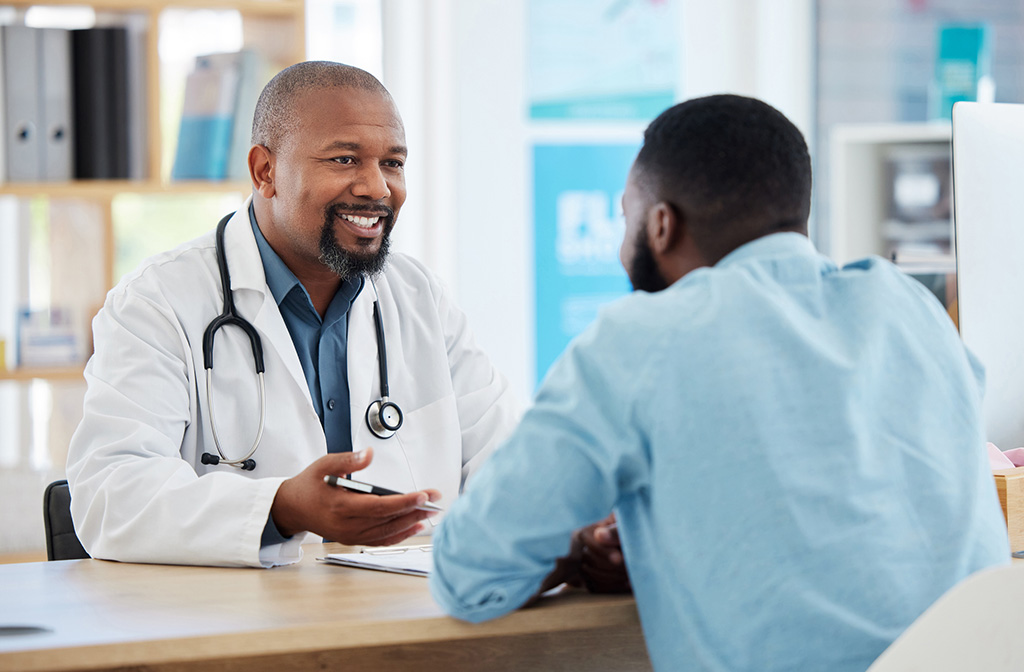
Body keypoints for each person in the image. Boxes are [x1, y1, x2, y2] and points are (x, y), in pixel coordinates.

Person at [430, 94, 1010, 671]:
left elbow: (470, 574)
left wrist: (576, 550)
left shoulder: (643, 339)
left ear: (661, 224)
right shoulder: (911, 307)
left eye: (625, 218)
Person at [66, 61, 519, 568]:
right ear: (266, 171)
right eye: (345, 160)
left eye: (392, 163)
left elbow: (508, 464)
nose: (377, 187)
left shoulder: (419, 298)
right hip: (245, 628)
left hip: (408, 622)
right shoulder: (158, 302)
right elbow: (110, 496)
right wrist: (280, 510)